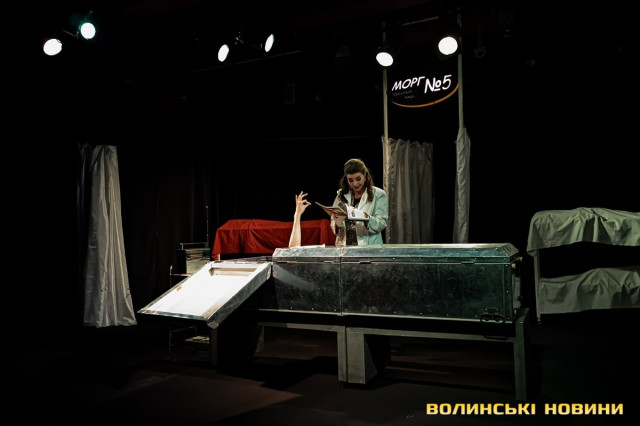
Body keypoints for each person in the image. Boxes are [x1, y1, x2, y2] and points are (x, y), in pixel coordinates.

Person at [331, 158, 388, 246]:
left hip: (369, 247)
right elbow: (334, 223)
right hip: (345, 247)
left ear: (365, 176)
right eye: (350, 180)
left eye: (358, 179)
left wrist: (364, 217)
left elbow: (381, 223)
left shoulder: (378, 194)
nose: (355, 184)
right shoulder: (341, 194)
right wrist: (338, 222)